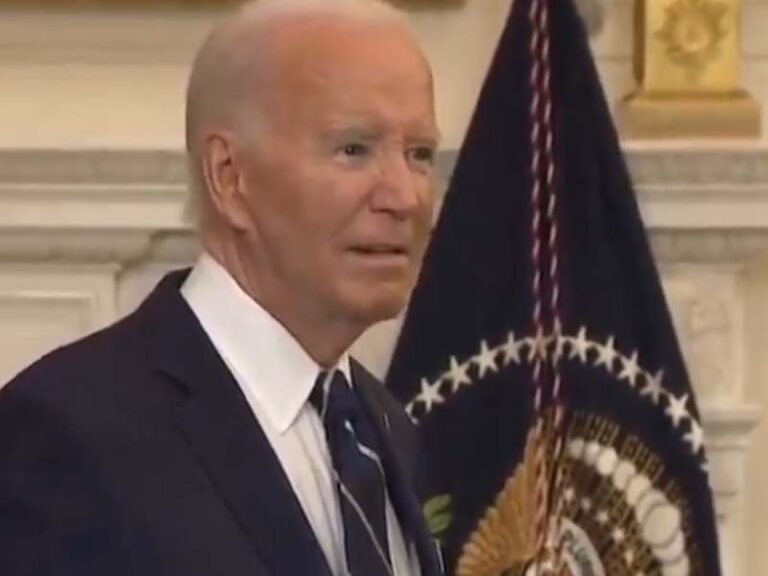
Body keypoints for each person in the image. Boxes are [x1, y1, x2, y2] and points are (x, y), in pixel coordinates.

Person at [0, 0, 443, 574]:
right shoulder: (66, 434)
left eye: (420, 154)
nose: (404, 197)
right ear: (230, 178)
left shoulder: (382, 425)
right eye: (353, 150)